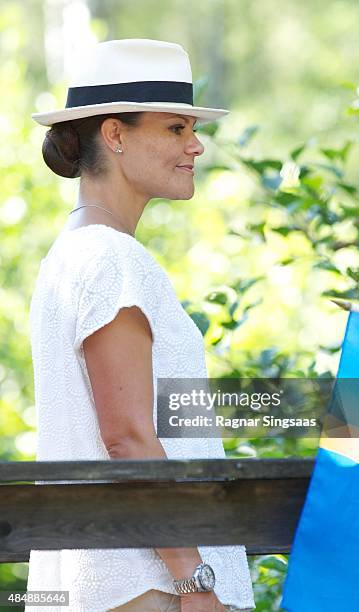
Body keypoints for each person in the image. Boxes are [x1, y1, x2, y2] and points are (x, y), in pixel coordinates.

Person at [26, 39, 256, 612]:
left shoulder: (73, 253)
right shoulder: (111, 259)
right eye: (176, 128)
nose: (196, 145)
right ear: (116, 134)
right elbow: (127, 439)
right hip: (146, 589)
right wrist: (194, 582)